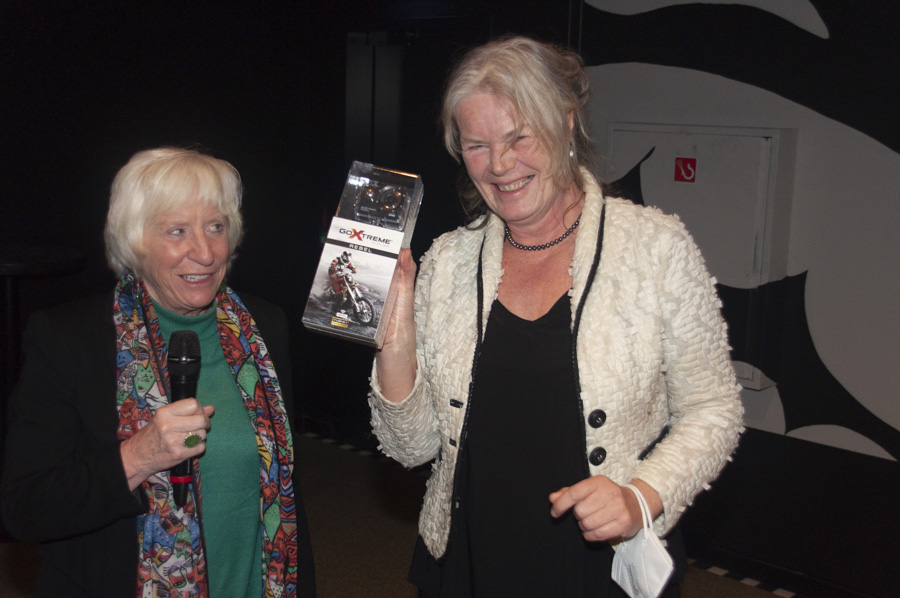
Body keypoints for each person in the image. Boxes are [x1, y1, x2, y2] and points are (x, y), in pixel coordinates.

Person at [368, 36, 744, 597]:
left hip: (595, 566)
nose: (500, 165)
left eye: (519, 137)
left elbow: (715, 409)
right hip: (469, 561)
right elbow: (411, 447)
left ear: (566, 124)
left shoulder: (654, 248)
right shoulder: (448, 261)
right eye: (476, 145)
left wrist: (641, 496)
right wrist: (393, 342)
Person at [1, 148, 316, 597]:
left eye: (216, 227)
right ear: (135, 243)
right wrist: (138, 456)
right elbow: (23, 509)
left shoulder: (263, 328)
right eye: (177, 231)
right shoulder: (69, 340)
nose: (205, 252)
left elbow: (285, 491)